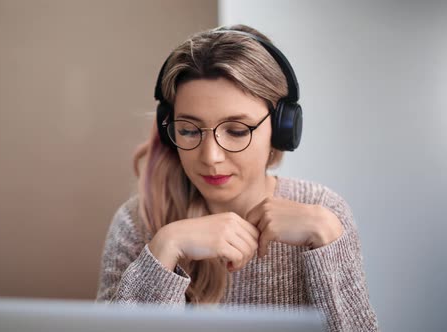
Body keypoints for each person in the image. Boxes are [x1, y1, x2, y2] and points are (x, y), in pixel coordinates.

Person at [96, 24, 378, 332]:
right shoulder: (138, 223)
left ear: (282, 129)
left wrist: (326, 237)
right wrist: (165, 247)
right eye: (189, 130)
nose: (211, 157)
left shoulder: (323, 211)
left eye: (237, 131)